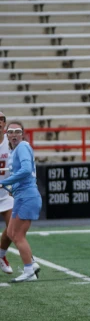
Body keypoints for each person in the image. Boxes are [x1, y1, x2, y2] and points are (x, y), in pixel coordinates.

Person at [0, 121, 42, 283]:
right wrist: (10, 187)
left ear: (22, 134)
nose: (14, 134)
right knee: (11, 233)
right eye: (11, 131)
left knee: (17, 235)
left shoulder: (23, 147)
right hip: (20, 196)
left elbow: (25, 171)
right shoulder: (15, 150)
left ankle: (29, 269)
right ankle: (29, 266)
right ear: (7, 134)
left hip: (27, 196)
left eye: (17, 131)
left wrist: (4, 183)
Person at [0, 112, 15, 275]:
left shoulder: (11, 142)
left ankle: (1, 255)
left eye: (1, 120)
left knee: (13, 228)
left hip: (5, 193)